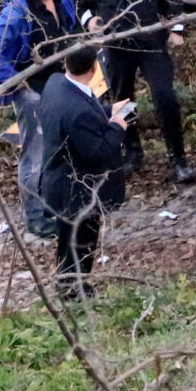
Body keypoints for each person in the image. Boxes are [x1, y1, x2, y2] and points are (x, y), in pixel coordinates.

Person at [68, 0, 196, 183]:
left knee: (165, 97)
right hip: (116, 44)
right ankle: (132, 153)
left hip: (150, 40)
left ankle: (178, 158)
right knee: (122, 101)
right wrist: (90, 20)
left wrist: (175, 29)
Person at [0, 0, 83, 232]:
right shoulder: (19, 10)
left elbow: (70, 30)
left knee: (59, 150)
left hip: (59, 88)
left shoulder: (61, 0)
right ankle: (36, 218)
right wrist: (11, 79)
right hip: (32, 93)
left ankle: (55, 207)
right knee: (35, 154)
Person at [38, 45, 133, 294]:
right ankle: (73, 290)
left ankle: (69, 284)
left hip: (59, 179)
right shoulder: (78, 111)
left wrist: (108, 111)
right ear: (94, 68)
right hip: (77, 191)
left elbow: (83, 116)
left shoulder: (56, 84)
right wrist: (118, 126)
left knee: (69, 240)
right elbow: (98, 151)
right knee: (80, 242)